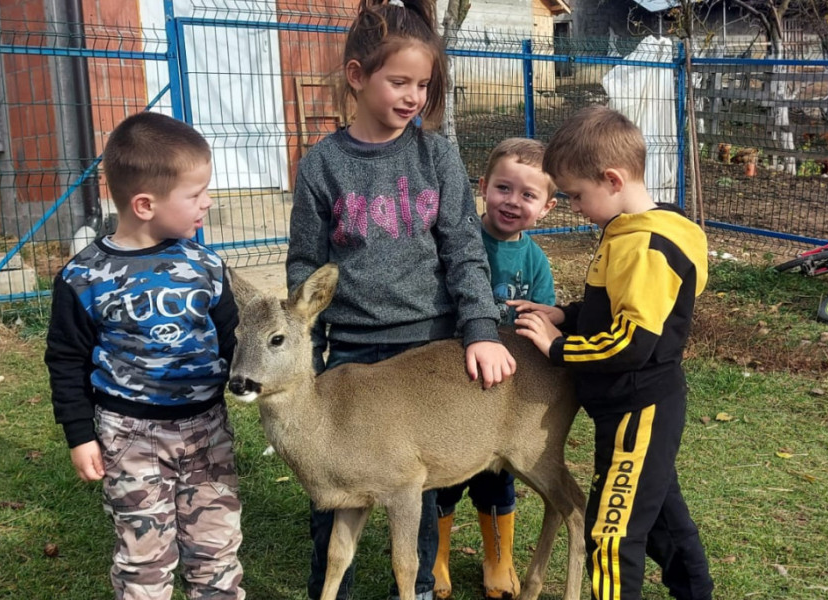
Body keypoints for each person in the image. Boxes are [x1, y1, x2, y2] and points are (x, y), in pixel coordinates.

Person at [284, 0, 517, 599]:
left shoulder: (435, 155)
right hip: (353, 353)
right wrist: (301, 352)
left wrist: (482, 330)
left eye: (424, 84)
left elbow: (465, 249)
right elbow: (306, 264)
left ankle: (410, 591)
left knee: (413, 493)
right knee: (330, 495)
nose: (414, 96)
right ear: (358, 76)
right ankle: (328, 589)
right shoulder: (321, 165)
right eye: (400, 82)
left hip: (427, 347)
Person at [511, 105, 715, 600]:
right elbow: (618, 307)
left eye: (579, 195)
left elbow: (632, 341)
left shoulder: (647, 246)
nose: (577, 207)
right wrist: (568, 314)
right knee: (666, 524)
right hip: (631, 408)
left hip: (637, 410)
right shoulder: (631, 230)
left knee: (609, 537)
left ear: (612, 178)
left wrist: (560, 348)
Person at [44, 111, 244, 600]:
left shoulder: (206, 267)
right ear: (144, 204)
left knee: (216, 551)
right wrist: (79, 435)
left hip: (207, 432)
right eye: (195, 195)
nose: (208, 204)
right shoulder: (83, 277)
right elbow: (66, 360)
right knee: (143, 562)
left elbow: (233, 340)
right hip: (129, 438)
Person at [431, 137, 557, 600]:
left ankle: (498, 556)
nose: (513, 202)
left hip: (505, 394)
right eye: (504, 188)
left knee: (498, 476)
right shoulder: (457, 242)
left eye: (529, 195)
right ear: (483, 186)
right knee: (444, 476)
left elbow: (542, 318)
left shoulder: (535, 260)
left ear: (546, 206)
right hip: (452, 383)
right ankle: (437, 558)